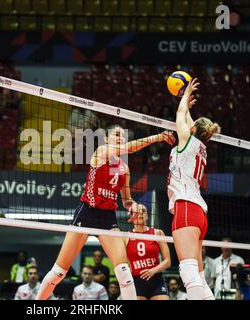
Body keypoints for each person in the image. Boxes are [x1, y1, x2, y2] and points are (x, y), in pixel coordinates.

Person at [36, 125, 175, 300]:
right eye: (116, 134)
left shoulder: (125, 168)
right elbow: (128, 148)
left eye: (123, 136)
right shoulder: (101, 152)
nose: (120, 138)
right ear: (107, 139)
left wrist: (132, 206)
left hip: (108, 217)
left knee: (124, 272)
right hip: (87, 212)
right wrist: (157, 137)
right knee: (59, 273)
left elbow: (126, 200)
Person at [168, 78, 220, 300]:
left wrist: (184, 98)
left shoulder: (187, 141)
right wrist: (188, 105)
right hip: (198, 214)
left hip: (187, 209)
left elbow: (180, 117)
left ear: (193, 129)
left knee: (188, 274)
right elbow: (188, 120)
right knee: (197, 275)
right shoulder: (199, 145)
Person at [125, 205, 170, 300]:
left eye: (143, 211)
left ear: (148, 216)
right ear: (131, 217)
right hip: (136, 281)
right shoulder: (126, 237)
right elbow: (124, 262)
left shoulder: (157, 233)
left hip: (156, 279)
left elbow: (168, 261)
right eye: (137, 212)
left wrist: (153, 270)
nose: (140, 213)